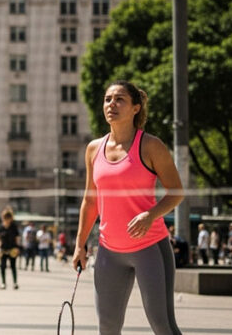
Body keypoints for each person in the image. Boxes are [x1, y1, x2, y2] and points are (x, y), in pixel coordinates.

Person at [73, 81, 184, 335]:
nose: (111, 104)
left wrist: (151, 214)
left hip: (150, 248)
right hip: (108, 252)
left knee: (162, 326)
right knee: (108, 328)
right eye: (107, 99)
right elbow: (90, 200)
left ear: (136, 108)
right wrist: (80, 244)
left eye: (119, 99)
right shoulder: (93, 149)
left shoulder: (150, 145)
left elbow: (176, 192)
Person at [0, 209, 20, 290]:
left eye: (8, 218)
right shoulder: (0, 227)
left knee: (13, 266)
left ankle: (15, 283)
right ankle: (3, 283)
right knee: (2, 266)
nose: (7, 220)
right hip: (3, 249)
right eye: (5, 218)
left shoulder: (14, 227)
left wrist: (17, 248)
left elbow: (17, 238)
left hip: (12, 249)